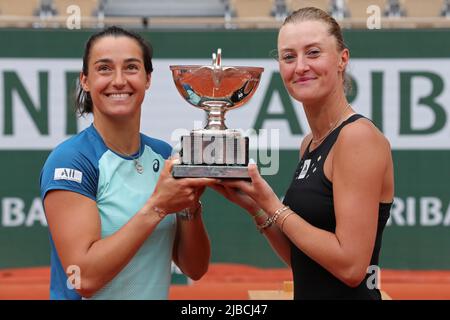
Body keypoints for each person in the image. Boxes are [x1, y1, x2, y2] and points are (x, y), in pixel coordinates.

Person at [212, 7, 394, 300]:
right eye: (288, 57)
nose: (300, 67)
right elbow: (306, 262)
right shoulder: (310, 142)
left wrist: (272, 204)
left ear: (342, 59)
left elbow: (350, 267)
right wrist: (256, 206)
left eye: (313, 53)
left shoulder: (357, 137)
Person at [40, 26, 216, 300]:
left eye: (131, 67)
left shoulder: (164, 154)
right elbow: (83, 277)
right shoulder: (71, 160)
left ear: (147, 78)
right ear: (85, 80)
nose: (119, 80)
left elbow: (195, 268)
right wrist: (158, 206)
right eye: (105, 69)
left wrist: (189, 207)